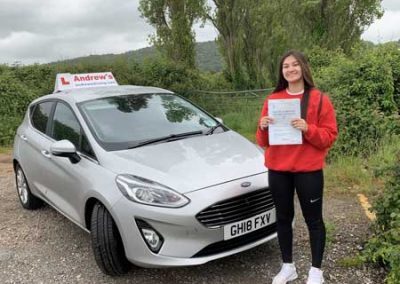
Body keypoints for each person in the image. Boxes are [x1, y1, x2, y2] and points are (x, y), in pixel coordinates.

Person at [256, 50, 338, 284]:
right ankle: (288, 266)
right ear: (282, 72)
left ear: (303, 67)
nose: (290, 69)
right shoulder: (272, 99)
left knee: (314, 220)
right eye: (285, 66)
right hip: (278, 170)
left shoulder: (320, 99)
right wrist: (262, 127)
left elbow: (329, 137)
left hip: (308, 171)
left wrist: (308, 128)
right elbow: (262, 141)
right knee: (283, 218)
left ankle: (316, 271)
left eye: (294, 65)